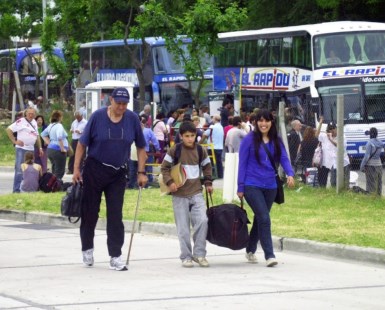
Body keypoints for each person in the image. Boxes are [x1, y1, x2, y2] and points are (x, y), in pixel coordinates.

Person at [72, 87, 147, 271]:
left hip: (118, 172)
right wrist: (76, 169)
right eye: (118, 103)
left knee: (115, 214)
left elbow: (141, 147)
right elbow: (82, 145)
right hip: (94, 169)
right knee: (90, 212)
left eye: (125, 104)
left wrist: (141, 172)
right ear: (111, 101)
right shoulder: (97, 117)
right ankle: (87, 248)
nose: (121, 107)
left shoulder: (132, 119)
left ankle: (115, 255)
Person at [237, 109, 295, 267]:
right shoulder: (249, 139)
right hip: (251, 185)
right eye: (260, 121)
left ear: (271, 122)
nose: (263, 124)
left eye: (266, 121)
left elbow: (283, 157)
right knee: (264, 217)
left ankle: (250, 249)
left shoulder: (276, 139)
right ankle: (269, 255)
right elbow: (242, 163)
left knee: (260, 218)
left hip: (271, 186)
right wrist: (240, 186)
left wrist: (290, 174)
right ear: (255, 122)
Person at [160, 121, 213, 268]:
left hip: (196, 192)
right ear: (181, 136)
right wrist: (170, 182)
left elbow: (207, 167)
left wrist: (208, 182)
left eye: (193, 135)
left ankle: (199, 254)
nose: (190, 139)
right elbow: (164, 167)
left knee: (202, 221)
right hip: (179, 194)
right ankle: (186, 256)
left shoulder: (201, 150)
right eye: (187, 136)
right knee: (183, 228)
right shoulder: (174, 151)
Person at [6, 107, 43, 193]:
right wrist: (14, 141)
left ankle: (26, 188)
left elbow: (37, 135)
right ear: (26, 114)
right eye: (29, 113)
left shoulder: (34, 122)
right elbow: (9, 129)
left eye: (33, 114)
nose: (31, 115)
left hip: (31, 149)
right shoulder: (21, 121)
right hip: (21, 149)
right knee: (19, 169)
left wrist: (40, 147)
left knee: (29, 169)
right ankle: (16, 190)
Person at [315, 117, 350, 188]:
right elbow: (316, 135)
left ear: (336, 129)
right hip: (333, 164)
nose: (331, 132)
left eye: (333, 129)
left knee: (345, 183)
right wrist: (321, 123)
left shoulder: (342, 136)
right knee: (333, 182)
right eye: (329, 130)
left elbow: (340, 146)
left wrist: (331, 139)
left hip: (343, 163)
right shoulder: (325, 136)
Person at [41, 110, 70, 180]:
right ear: (59, 117)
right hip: (58, 150)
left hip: (50, 149)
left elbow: (42, 134)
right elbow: (59, 137)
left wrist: (49, 143)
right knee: (59, 170)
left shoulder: (51, 126)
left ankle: (52, 184)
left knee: (54, 169)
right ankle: (56, 184)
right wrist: (62, 148)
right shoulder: (59, 125)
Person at [360, 127, 384, 195]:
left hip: (371, 166)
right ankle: (379, 197)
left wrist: (361, 166)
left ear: (370, 134)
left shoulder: (369, 143)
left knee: (371, 184)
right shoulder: (380, 142)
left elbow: (366, 156)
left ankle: (371, 198)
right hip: (379, 165)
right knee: (379, 183)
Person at [201, 114, 224, 179]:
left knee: (211, 163)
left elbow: (205, 135)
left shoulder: (212, 127)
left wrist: (199, 143)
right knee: (219, 162)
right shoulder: (221, 127)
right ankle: (220, 175)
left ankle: (213, 175)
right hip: (220, 147)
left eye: (213, 118)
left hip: (212, 147)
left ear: (215, 119)